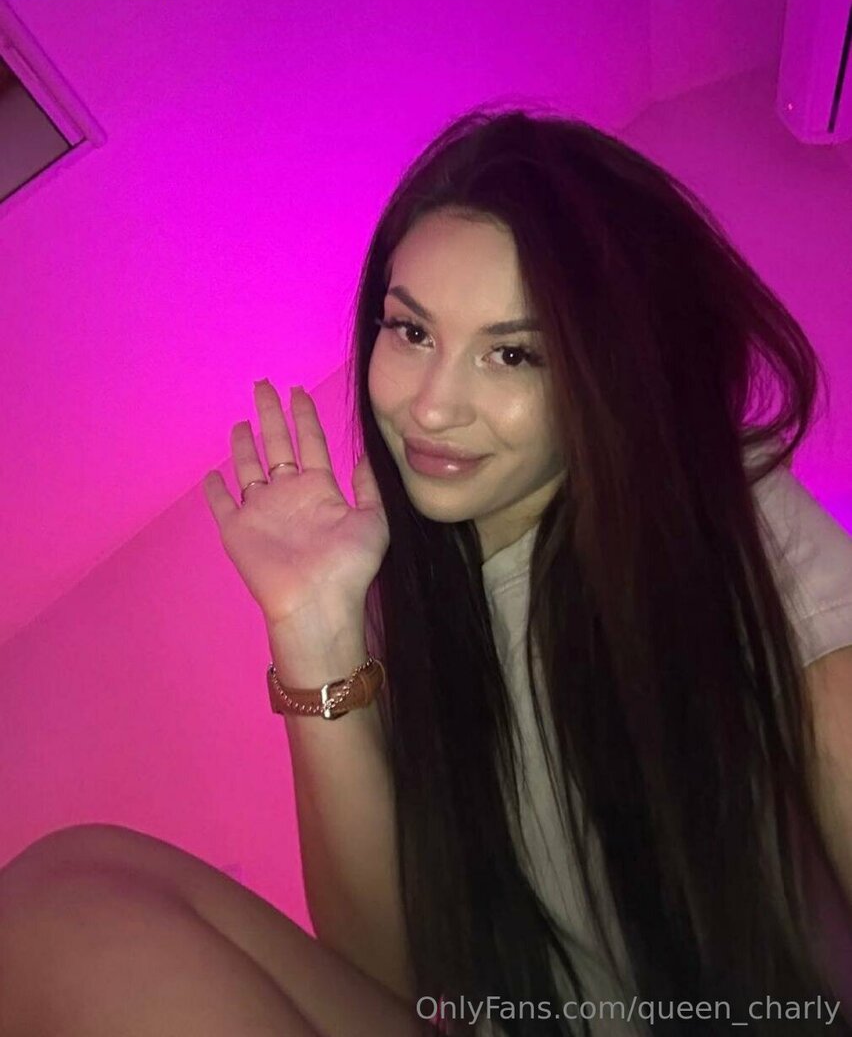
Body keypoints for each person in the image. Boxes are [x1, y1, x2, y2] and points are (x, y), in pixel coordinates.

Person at [1, 106, 851, 1037]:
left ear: (611, 370)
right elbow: (399, 981)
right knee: (67, 892)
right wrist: (314, 630)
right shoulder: (417, 609)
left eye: (513, 353)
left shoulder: (725, 517)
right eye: (410, 332)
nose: (433, 407)